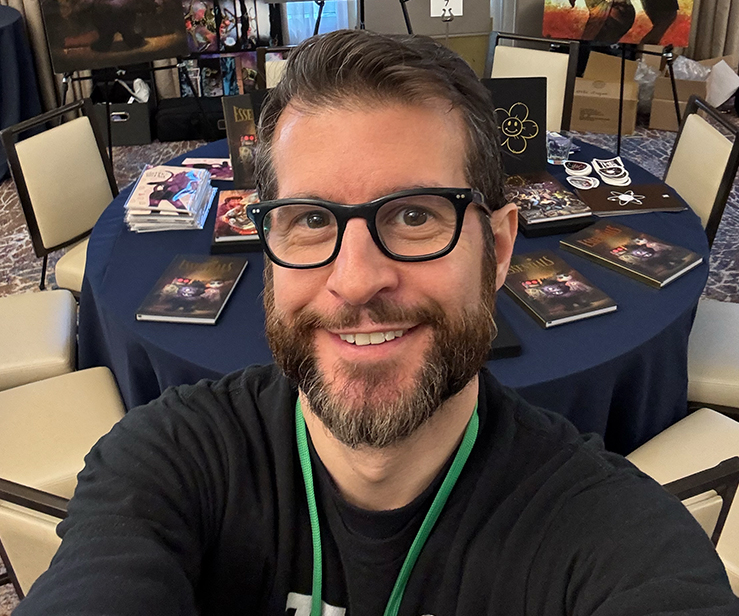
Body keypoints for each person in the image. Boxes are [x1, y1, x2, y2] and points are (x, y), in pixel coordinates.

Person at [15, 30, 738, 615]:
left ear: (497, 249)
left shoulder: (611, 538)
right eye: (309, 220)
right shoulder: (169, 464)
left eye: (415, 215)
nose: (357, 279)